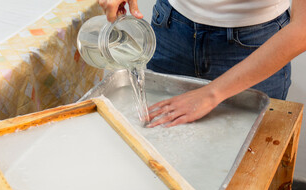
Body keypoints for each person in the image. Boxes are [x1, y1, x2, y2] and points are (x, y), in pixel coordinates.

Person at [98, 0, 306, 127]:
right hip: (171, 29)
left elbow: (303, 29)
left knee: (244, 175)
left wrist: (212, 93)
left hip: (254, 46)